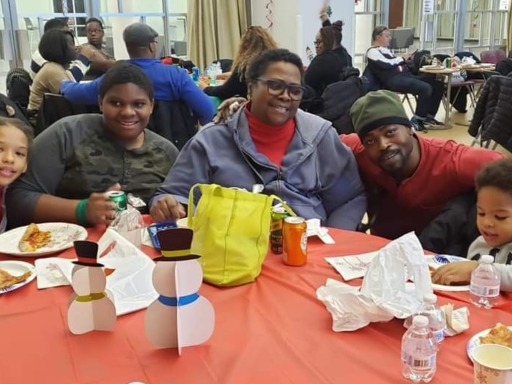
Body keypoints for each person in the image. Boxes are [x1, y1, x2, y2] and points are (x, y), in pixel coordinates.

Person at [150, 48, 366, 230]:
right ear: (251, 86)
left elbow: (349, 198)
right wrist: (167, 204)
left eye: (295, 90)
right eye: (275, 85)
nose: (285, 96)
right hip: (235, 254)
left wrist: (333, 240)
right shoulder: (210, 141)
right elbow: (173, 195)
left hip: (307, 251)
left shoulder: (320, 136)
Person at [7, 62, 179, 228]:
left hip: (145, 248)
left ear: (151, 106)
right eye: (116, 103)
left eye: (138, 104)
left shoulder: (166, 152)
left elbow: (183, 202)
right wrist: (81, 210)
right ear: (100, 103)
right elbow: (17, 199)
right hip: (70, 248)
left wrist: (167, 206)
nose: (127, 112)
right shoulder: (67, 134)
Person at [344, 89, 503, 240]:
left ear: (409, 129)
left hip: (438, 255)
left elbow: (505, 170)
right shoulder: (358, 151)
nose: (383, 144)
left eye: (390, 132)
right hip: (380, 250)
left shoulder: (453, 161)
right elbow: (322, 138)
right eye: (370, 140)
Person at [60, 22, 214, 125]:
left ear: (128, 48)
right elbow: (207, 111)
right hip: (174, 149)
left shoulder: (115, 76)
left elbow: (76, 93)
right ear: (152, 47)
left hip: (125, 151)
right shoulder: (176, 76)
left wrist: (64, 83)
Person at [432, 158, 512, 292]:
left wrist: (477, 269)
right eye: (481, 213)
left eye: (500, 217)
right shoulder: (478, 245)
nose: (487, 223)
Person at [366, 25, 444, 131]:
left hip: (406, 76)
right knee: (425, 88)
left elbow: (394, 62)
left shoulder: (385, 50)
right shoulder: (372, 51)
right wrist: (401, 58)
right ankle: (417, 118)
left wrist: (406, 60)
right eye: (387, 36)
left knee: (437, 85)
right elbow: (386, 64)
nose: (390, 38)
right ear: (378, 37)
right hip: (394, 80)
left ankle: (428, 117)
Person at [198, 26, 278, 100]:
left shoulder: (244, 69)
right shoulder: (275, 64)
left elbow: (223, 92)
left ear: (244, 46)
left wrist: (205, 87)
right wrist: (232, 74)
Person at [28, 29, 93, 112]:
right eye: (71, 44)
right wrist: (84, 58)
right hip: (42, 121)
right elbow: (72, 93)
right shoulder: (52, 69)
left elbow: (69, 79)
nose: (76, 48)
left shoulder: (55, 67)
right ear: (58, 48)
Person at [29, 18, 96, 82]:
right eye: (66, 39)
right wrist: (84, 59)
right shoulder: (43, 60)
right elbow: (68, 83)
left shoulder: (52, 55)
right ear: (53, 36)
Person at [0, 118, 33, 233]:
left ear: (25, 165)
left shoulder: (7, 193)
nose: (9, 158)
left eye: (19, 153)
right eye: (0, 149)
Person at [304, 26, 351, 98]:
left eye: (319, 42)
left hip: (320, 104)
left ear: (327, 41)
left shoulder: (320, 61)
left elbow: (306, 85)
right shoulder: (344, 57)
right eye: (315, 42)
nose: (316, 46)